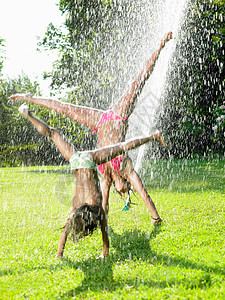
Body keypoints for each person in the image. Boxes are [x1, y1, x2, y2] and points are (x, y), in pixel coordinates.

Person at [10, 31, 172, 224]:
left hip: (101, 121)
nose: (122, 191)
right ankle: (28, 97)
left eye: (122, 192)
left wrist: (103, 226)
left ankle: (28, 101)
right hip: (118, 115)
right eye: (126, 190)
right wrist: (156, 217)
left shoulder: (106, 174)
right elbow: (143, 192)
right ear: (127, 185)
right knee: (139, 81)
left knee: (66, 109)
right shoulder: (126, 168)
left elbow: (104, 203)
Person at [16, 103, 166, 257]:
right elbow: (97, 231)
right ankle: (153, 136)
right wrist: (103, 253)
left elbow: (101, 231)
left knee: (120, 146)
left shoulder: (95, 207)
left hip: (85, 161)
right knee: (55, 134)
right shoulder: (77, 204)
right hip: (78, 160)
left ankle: (28, 114)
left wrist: (62, 253)